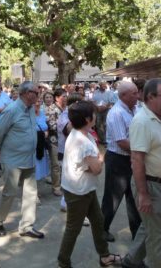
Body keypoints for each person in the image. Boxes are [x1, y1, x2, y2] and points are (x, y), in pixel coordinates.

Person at [123, 78, 161, 268]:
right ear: (150, 97)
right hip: (151, 186)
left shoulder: (160, 115)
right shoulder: (142, 121)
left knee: (148, 228)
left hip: (160, 185)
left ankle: (131, 260)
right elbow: (137, 160)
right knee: (158, 235)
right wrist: (143, 194)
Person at [57, 101, 122, 268]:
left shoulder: (78, 132)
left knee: (98, 221)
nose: (96, 115)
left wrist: (91, 164)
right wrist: (101, 157)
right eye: (94, 113)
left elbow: (90, 168)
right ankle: (63, 262)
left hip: (84, 188)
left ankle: (105, 256)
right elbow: (97, 169)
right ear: (87, 119)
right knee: (73, 228)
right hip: (79, 191)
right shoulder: (83, 142)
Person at [0, 81, 44, 239]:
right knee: (10, 192)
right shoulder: (12, 110)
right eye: (36, 92)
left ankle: (27, 226)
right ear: (27, 94)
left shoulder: (31, 109)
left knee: (31, 193)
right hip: (12, 159)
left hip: (29, 158)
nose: (38, 95)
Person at [101, 82, 142, 243]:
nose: (137, 96)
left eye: (137, 92)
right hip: (118, 160)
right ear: (123, 95)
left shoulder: (136, 108)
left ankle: (137, 232)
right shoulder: (116, 113)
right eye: (134, 93)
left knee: (134, 197)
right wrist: (142, 150)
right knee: (112, 197)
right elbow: (122, 142)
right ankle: (102, 229)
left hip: (133, 157)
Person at [42, 89, 64, 196]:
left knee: (56, 163)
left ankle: (56, 186)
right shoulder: (39, 108)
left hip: (55, 138)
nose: (48, 99)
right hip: (42, 138)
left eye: (50, 97)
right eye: (46, 97)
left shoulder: (58, 109)